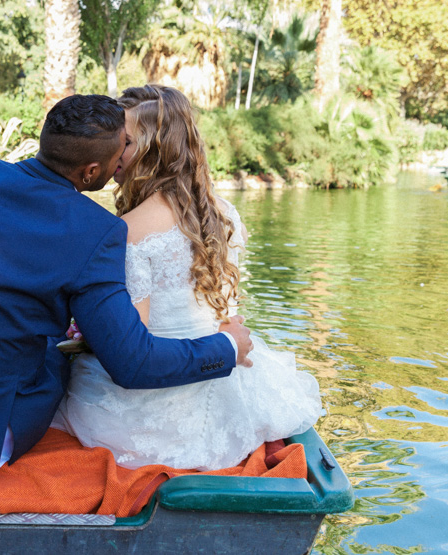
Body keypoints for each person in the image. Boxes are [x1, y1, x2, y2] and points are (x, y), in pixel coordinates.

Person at [0, 94, 254, 486]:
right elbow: (133, 364)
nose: (121, 166)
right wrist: (227, 348)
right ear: (91, 172)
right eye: (120, 155)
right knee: (58, 355)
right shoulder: (98, 232)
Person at [53, 85, 325, 471]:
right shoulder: (224, 214)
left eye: (125, 141)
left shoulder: (126, 232)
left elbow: (134, 345)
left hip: (149, 405)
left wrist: (86, 331)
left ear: (152, 151)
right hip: (224, 382)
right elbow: (226, 310)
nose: (114, 151)